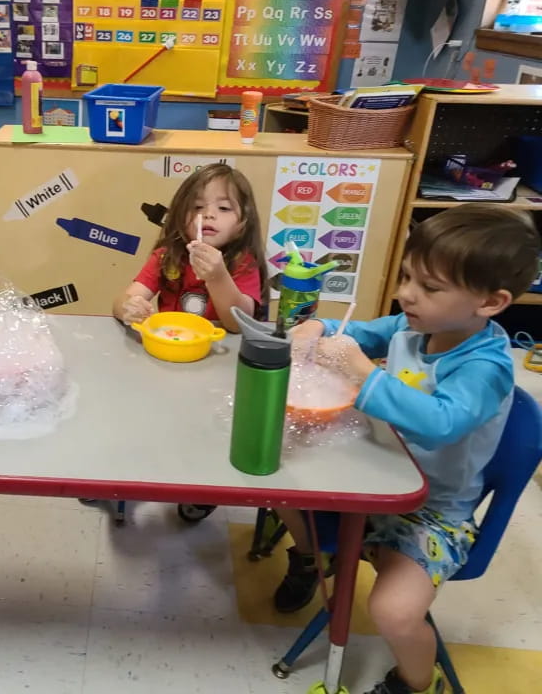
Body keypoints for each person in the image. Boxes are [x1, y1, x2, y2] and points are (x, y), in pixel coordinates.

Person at [273, 204, 540, 694]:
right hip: (376, 471)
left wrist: (364, 372)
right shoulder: (415, 327)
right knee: (277, 475)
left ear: (491, 302)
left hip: (431, 512)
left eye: (430, 288)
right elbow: (362, 331)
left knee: (393, 613)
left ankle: (417, 682)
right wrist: (321, 329)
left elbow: (442, 423)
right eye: (407, 277)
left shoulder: (486, 367)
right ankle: (313, 557)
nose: (405, 294)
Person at [113, 163, 267, 333]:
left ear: (243, 223)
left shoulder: (243, 262)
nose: (208, 214)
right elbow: (121, 302)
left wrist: (218, 277)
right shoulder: (167, 256)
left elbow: (238, 325)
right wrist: (129, 307)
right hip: (173, 345)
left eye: (224, 208)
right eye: (197, 207)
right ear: (180, 215)